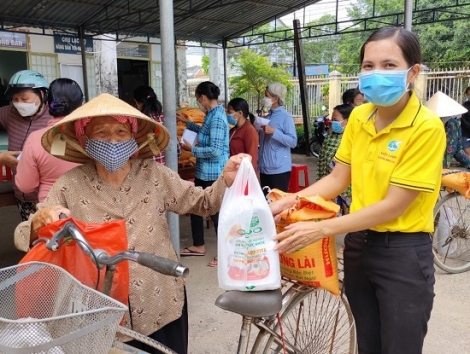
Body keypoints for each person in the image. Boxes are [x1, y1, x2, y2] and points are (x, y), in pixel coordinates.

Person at [14, 93, 248, 354]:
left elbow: (203, 203)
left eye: (121, 132)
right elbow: (26, 235)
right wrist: (39, 222)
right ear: (85, 139)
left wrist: (225, 180)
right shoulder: (70, 184)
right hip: (102, 310)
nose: (112, 140)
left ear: (133, 138)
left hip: (161, 301)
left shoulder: (154, 174)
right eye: (101, 133)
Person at [269, 27, 446, 354]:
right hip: (359, 246)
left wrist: (321, 228)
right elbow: (338, 179)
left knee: (399, 347)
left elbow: (394, 206)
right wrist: (290, 200)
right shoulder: (361, 116)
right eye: (368, 65)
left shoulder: (426, 128)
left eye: (389, 65)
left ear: (414, 72)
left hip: (403, 253)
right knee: (368, 343)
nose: (376, 73)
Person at [176, 81, 229, 257]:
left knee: (215, 213)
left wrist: (192, 150)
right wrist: (187, 123)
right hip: (204, 171)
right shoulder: (211, 114)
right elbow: (205, 132)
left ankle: (225, 254)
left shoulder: (218, 118)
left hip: (212, 173)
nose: (198, 102)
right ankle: (198, 245)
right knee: (197, 206)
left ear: (204, 98)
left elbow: (215, 150)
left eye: (198, 99)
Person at [15, 78, 83, 202]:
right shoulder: (91, 136)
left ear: (47, 102)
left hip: (52, 212)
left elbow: (26, 186)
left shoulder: (35, 139)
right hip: (89, 210)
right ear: (81, 104)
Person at [0, 69, 50, 220]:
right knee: (30, 239)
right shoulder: (9, 113)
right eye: (15, 99)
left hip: (51, 197)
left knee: (55, 240)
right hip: (22, 197)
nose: (19, 103)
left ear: (42, 94)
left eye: (24, 98)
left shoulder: (55, 117)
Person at [258, 82, 297, 193]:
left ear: (275, 98)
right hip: (264, 168)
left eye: (267, 95)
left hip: (279, 170)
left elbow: (293, 141)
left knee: (277, 204)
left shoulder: (286, 117)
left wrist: (274, 132)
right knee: (267, 204)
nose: (264, 98)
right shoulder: (268, 116)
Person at [316, 103, 354, 214]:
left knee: (347, 218)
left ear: (348, 121)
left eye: (335, 119)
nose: (332, 122)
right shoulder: (331, 136)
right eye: (332, 119)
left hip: (344, 189)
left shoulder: (351, 139)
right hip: (326, 183)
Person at [424, 91, 469, 168]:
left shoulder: (453, 124)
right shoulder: (427, 124)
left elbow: (456, 149)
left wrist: (468, 163)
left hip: (440, 166)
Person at [133, 85, 169, 164]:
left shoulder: (139, 121)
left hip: (147, 168)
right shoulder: (165, 118)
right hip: (166, 167)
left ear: (137, 102)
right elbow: (176, 147)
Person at [227, 97, 259, 173]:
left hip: (242, 174)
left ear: (240, 113)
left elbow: (252, 158)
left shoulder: (249, 131)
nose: (227, 115)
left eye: (230, 112)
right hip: (232, 172)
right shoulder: (233, 130)